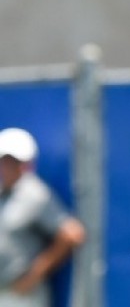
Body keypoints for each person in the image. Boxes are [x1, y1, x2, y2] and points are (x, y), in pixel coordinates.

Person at [0, 128, 86, 307]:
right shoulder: (2, 192)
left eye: (13, 161)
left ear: (26, 163)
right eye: (4, 161)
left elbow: (72, 234)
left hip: (21, 297)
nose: (6, 167)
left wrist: (34, 274)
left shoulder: (34, 194)